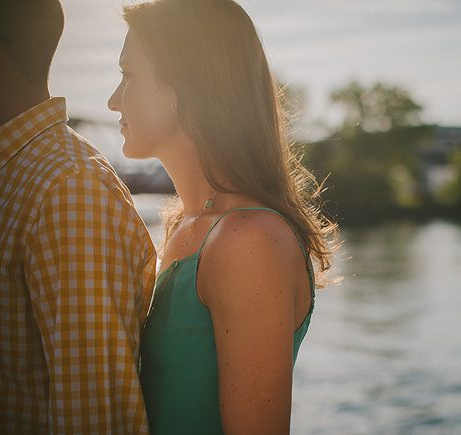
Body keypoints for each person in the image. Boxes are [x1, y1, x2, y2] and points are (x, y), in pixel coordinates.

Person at [107, 0, 338, 433]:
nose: (112, 100)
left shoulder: (248, 239)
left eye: (128, 75)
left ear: (185, 86)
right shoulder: (186, 225)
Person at [0, 1, 156, 433]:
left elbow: (98, 421)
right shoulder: (20, 176)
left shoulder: (68, 188)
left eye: (130, 75)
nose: (112, 99)